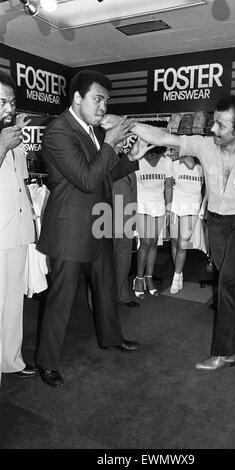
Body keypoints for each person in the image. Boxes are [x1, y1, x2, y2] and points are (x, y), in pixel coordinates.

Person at [129, 95, 235, 370]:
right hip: (215, 222)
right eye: (213, 123)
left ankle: (225, 352)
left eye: (220, 125)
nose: (213, 129)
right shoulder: (206, 146)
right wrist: (128, 124)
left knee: (228, 280)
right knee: (226, 274)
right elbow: (163, 137)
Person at [35, 70, 140, 388]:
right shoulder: (58, 132)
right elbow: (85, 178)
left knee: (106, 286)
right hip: (69, 228)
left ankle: (111, 338)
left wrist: (131, 158)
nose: (103, 107)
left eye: (106, 101)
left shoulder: (93, 131)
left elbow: (103, 174)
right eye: (97, 99)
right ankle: (47, 361)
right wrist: (110, 143)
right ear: (77, 98)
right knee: (62, 298)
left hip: (98, 221)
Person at [0, 71, 38, 381]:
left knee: (14, 301)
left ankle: (10, 360)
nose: (8, 108)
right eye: (1, 102)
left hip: (17, 229)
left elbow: (22, 183)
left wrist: (32, 222)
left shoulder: (13, 135)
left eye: (11, 102)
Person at [132, 143, 173, 298]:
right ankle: (139, 279)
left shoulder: (167, 162)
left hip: (159, 206)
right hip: (140, 205)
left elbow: (168, 186)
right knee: (145, 242)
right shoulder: (137, 160)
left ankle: (149, 278)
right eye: (148, 153)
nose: (150, 157)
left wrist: (168, 209)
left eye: (154, 154)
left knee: (154, 242)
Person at [169, 154, 205, 294]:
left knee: (183, 244)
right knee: (174, 242)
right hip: (175, 207)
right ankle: (180, 271)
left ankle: (176, 277)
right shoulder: (174, 164)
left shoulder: (202, 166)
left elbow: (207, 188)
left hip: (192, 208)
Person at [112, 147, 140, 308]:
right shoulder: (102, 161)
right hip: (107, 218)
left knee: (123, 260)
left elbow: (133, 192)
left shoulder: (128, 162)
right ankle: (101, 299)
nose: (124, 143)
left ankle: (122, 295)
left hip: (127, 219)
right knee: (105, 263)